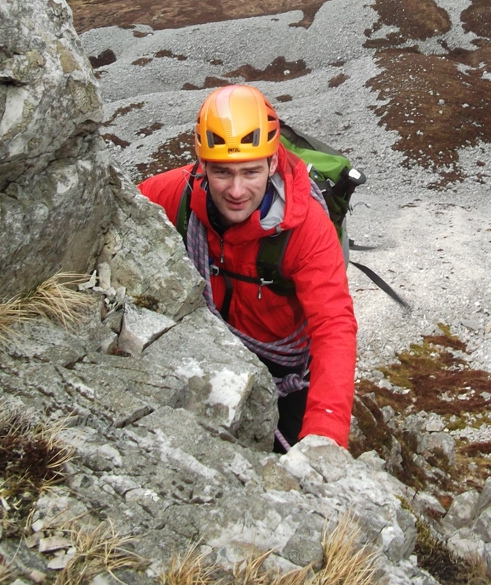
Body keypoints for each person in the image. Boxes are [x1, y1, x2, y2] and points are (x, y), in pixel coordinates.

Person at [139, 84, 357, 452]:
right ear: (202, 165)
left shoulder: (305, 228)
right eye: (222, 173)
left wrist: (326, 431)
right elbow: (117, 206)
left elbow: (334, 325)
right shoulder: (179, 194)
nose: (236, 191)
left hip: (284, 371)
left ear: (273, 163)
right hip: (211, 350)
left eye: (251, 172)